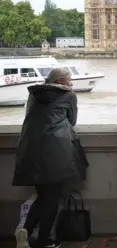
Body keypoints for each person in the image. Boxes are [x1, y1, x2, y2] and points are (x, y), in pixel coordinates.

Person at [13, 68, 80, 248]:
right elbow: (72, 120)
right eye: (68, 80)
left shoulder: (34, 94)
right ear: (59, 82)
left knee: (43, 195)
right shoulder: (69, 96)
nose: (71, 84)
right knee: (53, 197)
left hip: (31, 148)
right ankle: (45, 241)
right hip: (56, 150)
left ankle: (25, 231)